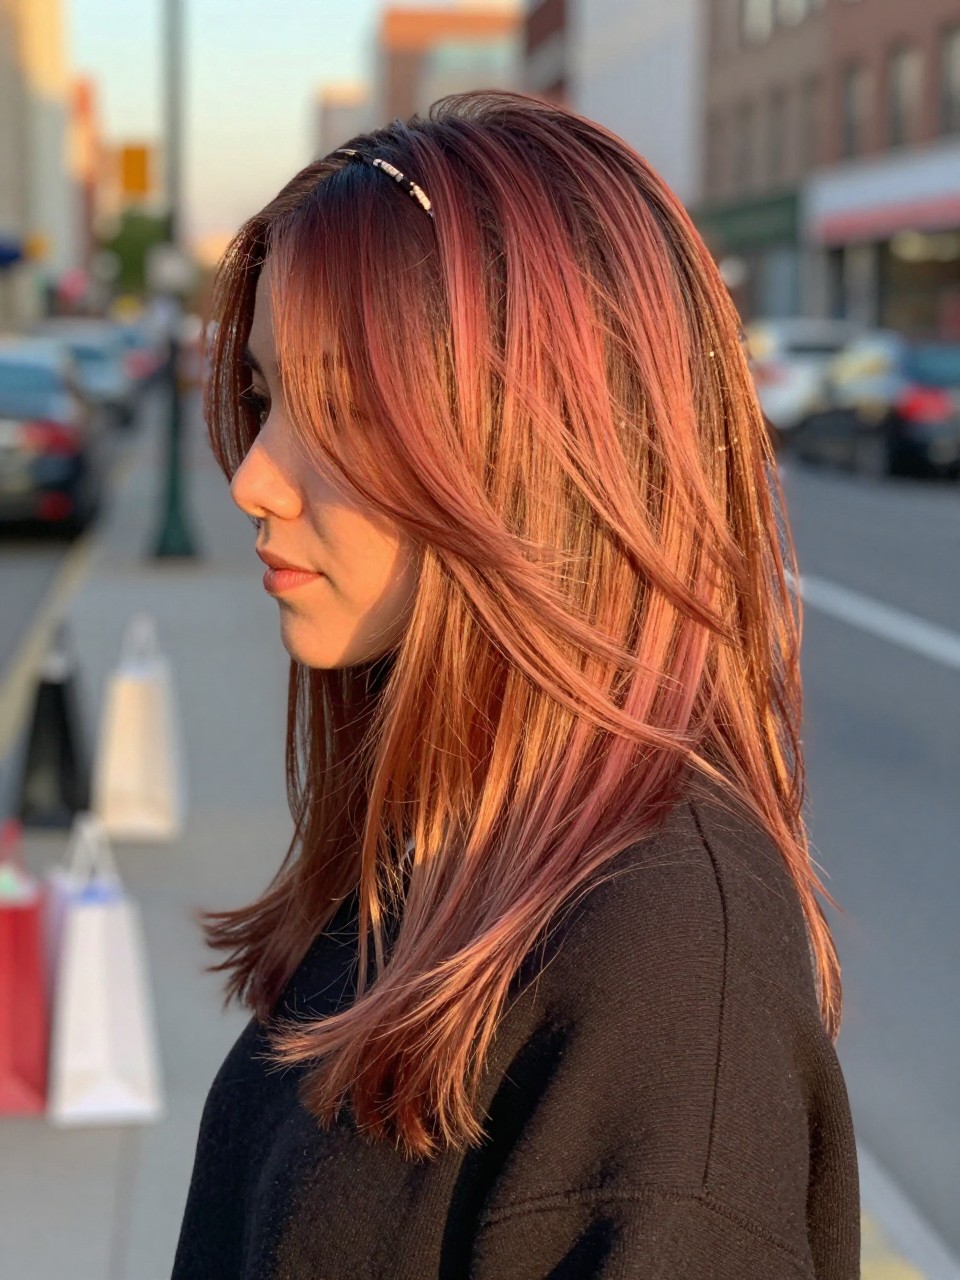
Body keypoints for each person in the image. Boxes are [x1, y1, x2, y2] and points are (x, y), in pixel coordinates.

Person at [172, 90, 859, 1279]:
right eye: (268, 394)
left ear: (530, 443)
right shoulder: (459, 836)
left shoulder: (663, 968)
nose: (256, 477)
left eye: (339, 406)